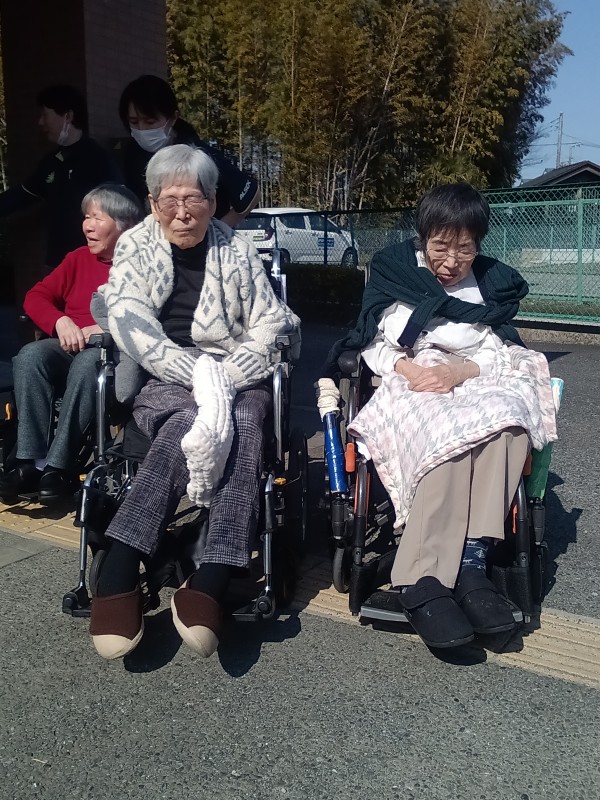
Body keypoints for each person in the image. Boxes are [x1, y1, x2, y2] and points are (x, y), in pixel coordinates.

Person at [320, 182, 557, 649]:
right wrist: (409, 369)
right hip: (411, 374)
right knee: (446, 432)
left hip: (474, 374)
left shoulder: (491, 283)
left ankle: (471, 563)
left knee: (509, 422)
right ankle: (420, 575)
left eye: (464, 249)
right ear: (422, 237)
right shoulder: (394, 270)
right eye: (441, 247)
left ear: (478, 245)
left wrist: (462, 370)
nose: (451, 261)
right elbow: (372, 342)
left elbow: (497, 345)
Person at [88, 144, 299, 661]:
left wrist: (225, 375)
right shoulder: (135, 247)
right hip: (167, 373)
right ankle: (126, 563)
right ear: (153, 203)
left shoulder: (238, 249)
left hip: (236, 372)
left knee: (245, 420)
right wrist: (196, 375)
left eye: (194, 199)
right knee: (186, 418)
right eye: (170, 200)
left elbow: (271, 321)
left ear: (212, 201)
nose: (182, 212)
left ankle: (210, 573)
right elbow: (130, 321)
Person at [0, 184, 143, 505]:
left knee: (87, 364)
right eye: (86, 217)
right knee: (30, 356)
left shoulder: (141, 265)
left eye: (97, 218)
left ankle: (58, 466)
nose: (87, 226)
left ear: (124, 226)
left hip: (113, 354)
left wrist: (103, 327)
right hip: (69, 344)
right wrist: (59, 321)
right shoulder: (78, 259)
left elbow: (146, 315)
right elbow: (36, 296)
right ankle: (29, 461)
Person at [0, 85, 121, 269]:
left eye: (45, 115)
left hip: (91, 263)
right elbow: (21, 196)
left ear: (68, 116)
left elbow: (120, 210)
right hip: (58, 263)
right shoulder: (51, 162)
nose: (40, 122)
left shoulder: (97, 159)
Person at [116, 74, 259, 226]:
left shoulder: (197, 154)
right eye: (134, 122)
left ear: (172, 118)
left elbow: (251, 194)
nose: (142, 129)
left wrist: (218, 229)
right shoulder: (132, 155)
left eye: (150, 122)